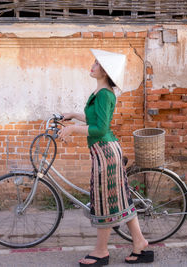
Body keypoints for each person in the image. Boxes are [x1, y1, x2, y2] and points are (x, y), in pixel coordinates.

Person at [58, 49, 154, 266]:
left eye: (97, 64)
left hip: (105, 152)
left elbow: (100, 128)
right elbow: (95, 119)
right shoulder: (101, 92)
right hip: (105, 151)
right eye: (93, 62)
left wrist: (73, 129)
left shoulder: (104, 94)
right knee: (119, 198)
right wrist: (74, 115)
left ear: (106, 71)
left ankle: (101, 251)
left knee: (104, 201)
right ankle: (139, 242)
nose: (92, 66)